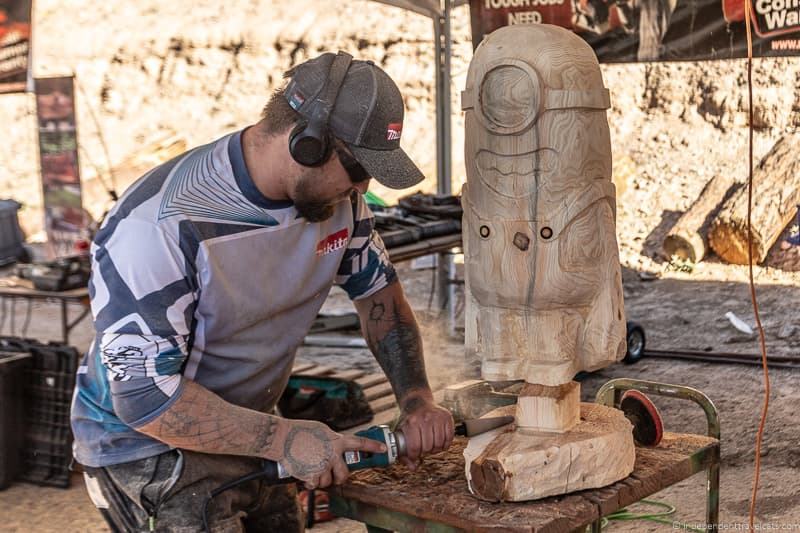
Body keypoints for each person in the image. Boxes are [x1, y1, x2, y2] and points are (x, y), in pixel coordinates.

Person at [70, 51, 454, 532]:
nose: (365, 185)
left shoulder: (343, 205)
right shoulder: (159, 227)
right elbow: (145, 397)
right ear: (307, 143)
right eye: (358, 169)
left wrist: (415, 397)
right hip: (147, 446)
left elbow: (381, 297)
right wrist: (285, 440)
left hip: (250, 421)